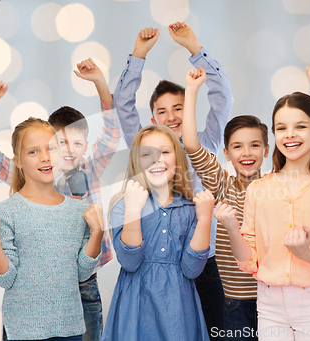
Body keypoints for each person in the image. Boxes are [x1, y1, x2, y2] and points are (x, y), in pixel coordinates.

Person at [0, 58, 119, 341]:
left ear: (85, 146)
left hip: (82, 282)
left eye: (76, 143)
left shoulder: (89, 168)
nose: (67, 151)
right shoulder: (30, 174)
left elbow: (111, 136)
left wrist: (100, 84)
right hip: (31, 293)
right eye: (58, 143)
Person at [183, 64, 310, 340]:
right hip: (234, 302)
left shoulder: (278, 183)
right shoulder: (221, 184)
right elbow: (190, 144)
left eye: (254, 145)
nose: (246, 153)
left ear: (266, 149)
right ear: (226, 152)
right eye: (237, 146)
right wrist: (192, 91)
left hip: (274, 298)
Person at [113, 22, 233, 337]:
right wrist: (138, 55)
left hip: (201, 260)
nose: (171, 116)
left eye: (179, 107)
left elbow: (222, 99)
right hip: (152, 263)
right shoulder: (147, 148)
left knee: (212, 330)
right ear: (152, 120)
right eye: (162, 112)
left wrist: (195, 49)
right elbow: (123, 107)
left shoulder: (204, 144)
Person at [214, 91, 310, 341]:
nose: (289, 134)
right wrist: (232, 228)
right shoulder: (258, 189)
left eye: (300, 126)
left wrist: (306, 253)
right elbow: (250, 260)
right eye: (281, 128)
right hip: (269, 305)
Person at [0, 117, 103, 341]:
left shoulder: (77, 211)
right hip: (22, 331)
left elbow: (82, 273)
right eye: (33, 152)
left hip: (70, 329)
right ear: (19, 162)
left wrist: (98, 232)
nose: (45, 157)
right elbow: (5, 278)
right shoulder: (7, 211)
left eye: (51, 148)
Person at [102, 125, 214, 341]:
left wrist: (205, 219)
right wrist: (133, 209)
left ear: (177, 157)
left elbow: (192, 269)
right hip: (136, 306)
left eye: (164, 152)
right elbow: (130, 262)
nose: (157, 159)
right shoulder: (123, 204)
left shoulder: (191, 208)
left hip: (178, 310)